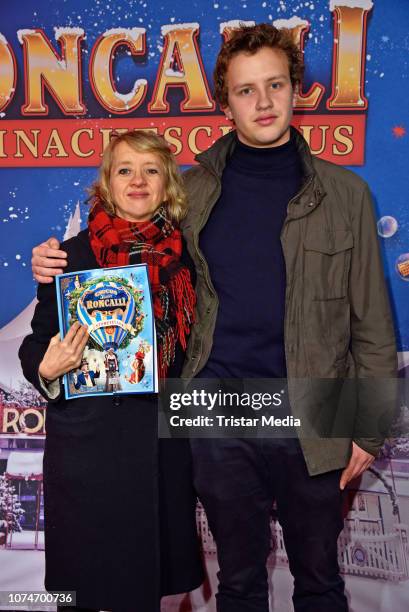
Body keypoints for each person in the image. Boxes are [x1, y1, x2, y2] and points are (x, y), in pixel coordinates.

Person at [30, 24, 397, 612]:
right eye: (246, 90)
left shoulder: (347, 195)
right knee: (240, 584)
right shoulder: (192, 191)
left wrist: (368, 427)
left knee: (321, 582)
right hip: (214, 411)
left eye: (275, 84)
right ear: (225, 102)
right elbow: (124, 236)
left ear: (296, 89)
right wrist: (50, 261)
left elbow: (373, 325)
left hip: (313, 408)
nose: (263, 102)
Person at [20, 130, 203, 612]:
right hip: (86, 456)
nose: (137, 181)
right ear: (107, 182)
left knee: (143, 594)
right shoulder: (69, 256)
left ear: (167, 184)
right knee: (78, 595)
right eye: (125, 169)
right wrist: (48, 367)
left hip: (158, 453)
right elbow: (35, 344)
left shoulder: (189, 262)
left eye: (151, 170)